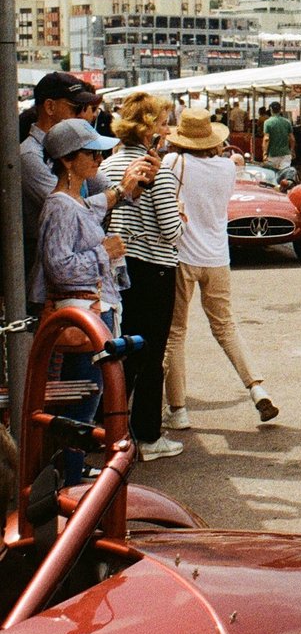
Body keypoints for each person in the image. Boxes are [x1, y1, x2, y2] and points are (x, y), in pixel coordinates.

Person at [163, 109, 279, 427]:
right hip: (217, 256)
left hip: (184, 254)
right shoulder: (227, 167)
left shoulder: (174, 163)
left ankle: (178, 409)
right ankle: (256, 388)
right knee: (226, 327)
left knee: (175, 334)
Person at [30, 118, 128, 485]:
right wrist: (104, 252)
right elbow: (59, 267)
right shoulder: (61, 206)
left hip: (89, 316)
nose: (99, 159)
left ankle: (67, 482)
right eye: (92, 153)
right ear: (68, 160)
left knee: (84, 405)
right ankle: (67, 486)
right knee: (80, 408)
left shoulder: (73, 202)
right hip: (80, 321)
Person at [104, 92, 184, 461]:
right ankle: (148, 436)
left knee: (124, 349)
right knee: (151, 353)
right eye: (163, 123)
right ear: (149, 129)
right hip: (155, 268)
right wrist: (181, 217)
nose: (167, 130)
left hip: (120, 268)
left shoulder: (108, 165)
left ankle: (116, 427)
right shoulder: (158, 172)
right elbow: (171, 231)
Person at [20, 71, 136, 272]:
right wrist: (119, 192)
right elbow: (68, 209)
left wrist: (135, 184)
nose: (84, 115)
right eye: (76, 108)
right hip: (48, 268)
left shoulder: (72, 144)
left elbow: (112, 190)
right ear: (50, 107)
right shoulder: (30, 155)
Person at [262, 101, 295, 172]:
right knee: (285, 175)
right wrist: (292, 151)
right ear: (280, 110)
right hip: (286, 154)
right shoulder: (287, 122)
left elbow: (266, 139)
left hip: (272, 154)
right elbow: (292, 139)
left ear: (270, 109)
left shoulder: (267, 122)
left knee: (273, 175)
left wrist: (265, 153)